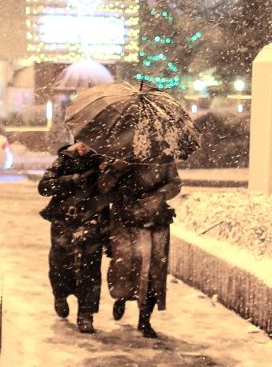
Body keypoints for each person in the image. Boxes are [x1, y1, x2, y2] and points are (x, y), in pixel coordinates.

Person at [99, 157, 183, 338]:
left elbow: (175, 183)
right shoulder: (119, 154)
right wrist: (116, 169)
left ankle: (145, 319)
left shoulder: (164, 156)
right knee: (125, 265)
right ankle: (122, 296)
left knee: (154, 270)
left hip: (155, 219)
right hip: (124, 222)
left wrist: (158, 196)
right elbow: (104, 187)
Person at [38, 139, 108, 334]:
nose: (85, 146)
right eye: (81, 142)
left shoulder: (103, 162)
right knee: (60, 263)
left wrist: (107, 173)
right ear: (76, 142)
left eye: (90, 142)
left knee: (91, 267)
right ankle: (60, 296)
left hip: (92, 221)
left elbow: (110, 192)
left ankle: (86, 314)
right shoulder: (63, 160)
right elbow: (44, 187)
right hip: (64, 221)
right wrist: (70, 180)